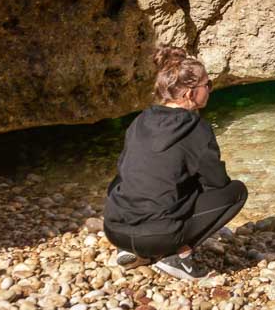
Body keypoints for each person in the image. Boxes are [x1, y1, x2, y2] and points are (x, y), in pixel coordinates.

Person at [103, 46, 247, 280]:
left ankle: (131, 250)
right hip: (157, 236)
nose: (210, 90)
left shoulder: (140, 121)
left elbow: (125, 171)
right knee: (236, 192)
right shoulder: (197, 129)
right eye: (207, 85)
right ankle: (177, 258)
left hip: (114, 228)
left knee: (134, 175)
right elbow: (216, 183)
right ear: (190, 94)